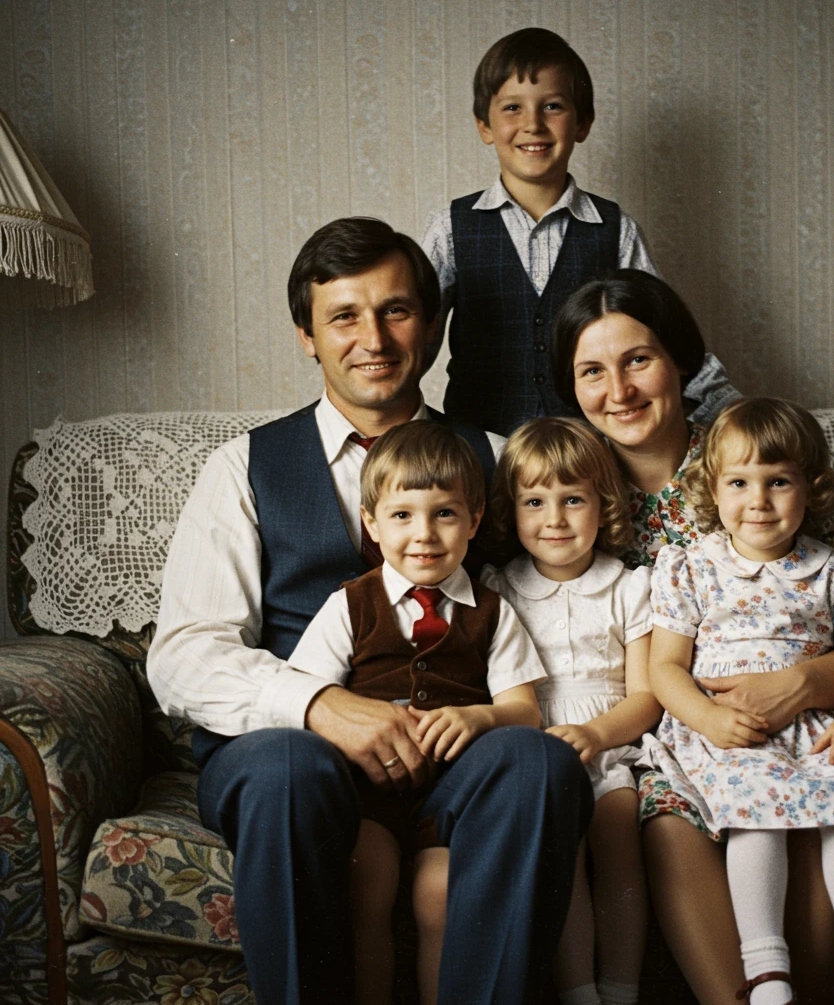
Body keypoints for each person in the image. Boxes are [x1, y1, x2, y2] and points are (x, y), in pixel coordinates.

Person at [148, 217, 593, 1005]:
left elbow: (576, 589)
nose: (374, 338)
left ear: (430, 323)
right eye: (344, 316)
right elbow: (182, 656)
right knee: (285, 766)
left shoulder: (496, 458)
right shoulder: (242, 468)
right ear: (307, 337)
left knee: (538, 764)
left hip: (456, 753)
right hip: (293, 759)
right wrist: (318, 705)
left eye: (395, 310)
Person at [550, 268, 834, 1005]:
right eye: (592, 371)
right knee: (668, 825)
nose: (619, 390)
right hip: (665, 734)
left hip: (800, 727)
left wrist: (805, 685)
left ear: (680, 360)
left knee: (817, 822)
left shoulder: (753, 460)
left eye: (638, 360)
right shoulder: (571, 485)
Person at [643, 398, 834, 1005]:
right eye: (739, 483)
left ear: (812, 487)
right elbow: (665, 667)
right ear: (713, 490)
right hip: (728, 730)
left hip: (821, 727)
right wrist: (707, 718)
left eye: (778, 481)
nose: (759, 500)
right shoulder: (689, 568)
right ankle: (767, 970)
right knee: (755, 812)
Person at [285, 420, 548, 1005]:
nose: (424, 535)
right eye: (402, 515)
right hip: (369, 794)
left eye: (445, 514)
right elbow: (304, 694)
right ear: (372, 524)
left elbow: (524, 712)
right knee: (366, 883)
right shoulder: (349, 605)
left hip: (448, 802)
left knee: (442, 897)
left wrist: (480, 718)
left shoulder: (491, 612)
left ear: (475, 520)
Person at [420, 26, 733, 437]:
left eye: (552, 106)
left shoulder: (616, 230)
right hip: (480, 456)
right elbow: (410, 343)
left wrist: (735, 416)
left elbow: (669, 342)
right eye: (512, 108)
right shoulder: (450, 228)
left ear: (582, 124)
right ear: (485, 126)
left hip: (588, 462)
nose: (533, 124)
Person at [483, 416, 663, 1005]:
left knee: (617, 844)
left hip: (610, 741)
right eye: (535, 501)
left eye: (573, 499)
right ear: (511, 510)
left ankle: (622, 987)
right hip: (534, 746)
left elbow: (646, 696)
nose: (554, 519)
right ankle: (581, 991)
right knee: (559, 855)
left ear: (604, 504)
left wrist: (593, 733)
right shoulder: (498, 588)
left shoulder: (629, 586)